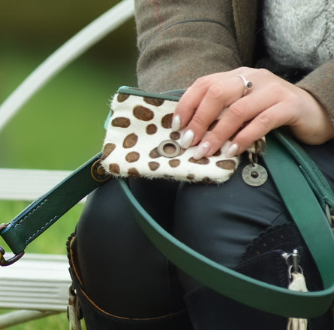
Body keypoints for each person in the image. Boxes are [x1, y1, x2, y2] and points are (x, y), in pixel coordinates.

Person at [68, 0, 334, 329]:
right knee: (120, 217)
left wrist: (322, 99)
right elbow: (183, 13)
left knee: (228, 214)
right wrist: (206, 102)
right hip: (257, 95)